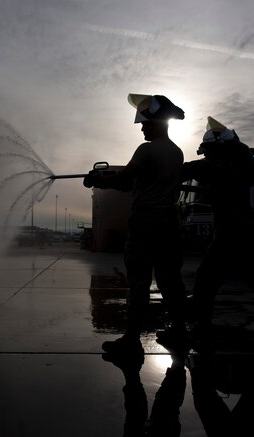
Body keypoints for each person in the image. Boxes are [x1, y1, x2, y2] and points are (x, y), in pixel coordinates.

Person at [83, 93, 188, 357]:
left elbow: (124, 181)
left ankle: (131, 341)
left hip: (146, 222)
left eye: (145, 124)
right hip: (169, 223)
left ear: (156, 122)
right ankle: (179, 331)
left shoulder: (147, 150)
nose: (142, 128)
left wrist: (97, 180)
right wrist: (108, 177)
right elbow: (136, 180)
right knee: (170, 281)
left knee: (139, 282)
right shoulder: (177, 152)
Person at [181, 116, 254, 347]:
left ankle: (201, 329)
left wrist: (157, 170)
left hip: (235, 234)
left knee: (205, 280)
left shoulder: (225, 165)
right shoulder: (244, 163)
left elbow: (194, 169)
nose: (207, 156)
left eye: (209, 151)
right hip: (240, 234)